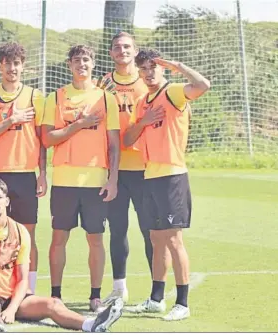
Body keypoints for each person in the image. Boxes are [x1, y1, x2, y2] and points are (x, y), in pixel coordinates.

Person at [0, 178, 123, 332]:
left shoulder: (20, 231)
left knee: (53, 304)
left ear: (6, 201)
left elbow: (23, 279)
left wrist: (12, 309)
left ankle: (92, 324)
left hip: (14, 296)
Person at [123, 48, 210, 321]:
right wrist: (144, 121)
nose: (148, 74)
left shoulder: (172, 92)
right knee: (156, 239)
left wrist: (178, 65)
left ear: (162, 69)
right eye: (144, 69)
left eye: (153, 68)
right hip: (149, 176)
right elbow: (128, 139)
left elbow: (203, 85)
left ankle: (182, 304)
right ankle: (156, 299)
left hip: (172, 176)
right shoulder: (142, 102)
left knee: (173, 239)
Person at [41, 45, 121, 312]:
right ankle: (56, 295)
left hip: (95, 179)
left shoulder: (106, 98)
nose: (81, 65)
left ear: (93, 64)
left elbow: (113, 144)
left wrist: (113, 179)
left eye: (86, 60)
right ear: (69, 65)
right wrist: (79, 124)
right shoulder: (56, 97)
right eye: (77, 61)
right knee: (58, 238)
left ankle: (95, 296)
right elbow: (47, 139)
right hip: (64, 180)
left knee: (96, 238)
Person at [0, 42, 46, 294]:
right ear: (0, 66)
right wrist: (10, 120)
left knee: (27, 235)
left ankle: (29, 290)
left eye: (16, 63)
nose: (12, 68)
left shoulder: (35, 96)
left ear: (23, 66)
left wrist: (42, 174)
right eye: (7, 63)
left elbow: (42, 139)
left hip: (25, 175)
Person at [97, 31, 154, 305]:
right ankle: (120, 289)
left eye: (127, 46)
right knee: (117, 230)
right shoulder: (104, 83)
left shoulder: (146, 80)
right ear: (111, 53)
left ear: (135, 50)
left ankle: (156, 292)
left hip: (145, 168)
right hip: (114, 170)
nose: (122, 50)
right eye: (117, 47)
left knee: (149, 230)